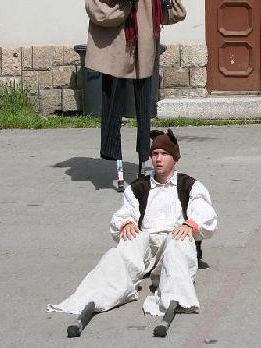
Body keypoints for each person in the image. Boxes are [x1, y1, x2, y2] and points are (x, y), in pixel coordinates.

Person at [48, 129, 217, 318]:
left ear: (174, 158)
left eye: (164, 154)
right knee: (124, 247)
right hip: (147, 244)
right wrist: (126, 223)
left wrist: (190, 224)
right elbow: (126, 211)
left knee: (180, 241)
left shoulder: (189, 185)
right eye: (155, 154)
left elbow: (205, 213)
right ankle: (98, 294)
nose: (158, 159)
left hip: (174, 240)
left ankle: (174, 297)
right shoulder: (139, 187)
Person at [84, 0, 185, 191]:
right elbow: (98, 11)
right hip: (118, 51)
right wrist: (124, 1)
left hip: (144, 50)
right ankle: (117, 165)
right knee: (113, 107)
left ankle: (142, 163)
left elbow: (173, 14)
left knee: (143, 110)